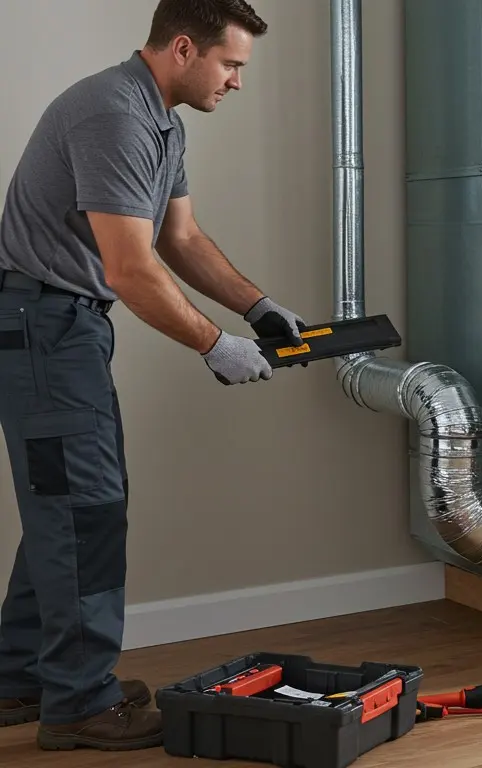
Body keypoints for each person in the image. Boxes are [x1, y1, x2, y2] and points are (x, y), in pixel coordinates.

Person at [0, 0, 302, 751]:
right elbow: (130, 269)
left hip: (62, 328)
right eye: (230, 64)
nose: (236, 81)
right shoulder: (114, 115)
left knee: (68, 506)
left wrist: (256, 305)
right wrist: (214, 344)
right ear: (183, 48)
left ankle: (22, 678)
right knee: (83, 511)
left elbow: (181, 236)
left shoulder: (160, 119)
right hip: (44, 327)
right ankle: (78, 704)